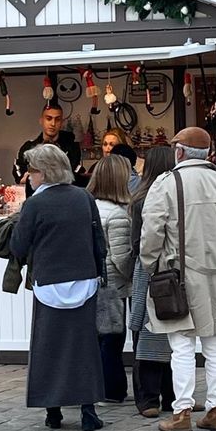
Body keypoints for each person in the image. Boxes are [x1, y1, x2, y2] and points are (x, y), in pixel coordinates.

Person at [139, 127, 216, 431]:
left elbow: (151, 235)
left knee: (182, 346)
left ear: (179, 152)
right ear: (207, 154)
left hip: (178, 278)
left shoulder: (165, 184)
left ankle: (182, 412)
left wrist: (151, 266)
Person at [10, 145, 107, 431]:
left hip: (49, 281)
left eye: (33, 170)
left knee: (48, 346)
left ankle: (53, 410)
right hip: (84, 280)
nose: (29, 176)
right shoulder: (84, 197)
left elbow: (18, 246)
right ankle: (88, 410)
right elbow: (98, 240)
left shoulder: (35, 205)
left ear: (44, 172)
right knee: (84, 347)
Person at [128, 146, 176, 417]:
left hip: (147, 271)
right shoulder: (173, 195)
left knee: (147, 334)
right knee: (171, 332)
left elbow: (137, 244)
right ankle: (170, 396)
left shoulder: (140, 200)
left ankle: (148, 399)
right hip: (171, 269)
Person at [88, 154, 135, 405]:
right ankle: (111, 390)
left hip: (91, 282)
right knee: (112, 338)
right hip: (112, 285)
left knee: (96, 338)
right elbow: (121, 258)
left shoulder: (89, 207)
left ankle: (92, 387)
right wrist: (134, 277)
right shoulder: (117, 215)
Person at [13, 105, 85, 186]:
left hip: (64, 193)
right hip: (34, 194)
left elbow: (75, 173)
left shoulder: (72, 147)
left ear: (62, 123)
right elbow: (18, 172)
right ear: (41, 120)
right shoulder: (28, 147)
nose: (53, 123)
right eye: (49, 118)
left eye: (57, 119)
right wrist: (24, 178)